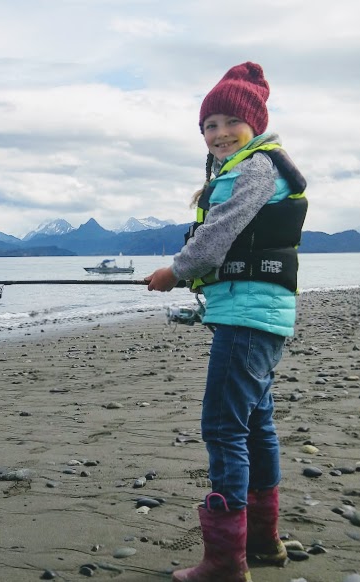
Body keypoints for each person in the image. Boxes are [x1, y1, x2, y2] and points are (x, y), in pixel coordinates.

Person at [145, 61, 307, 582]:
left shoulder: (255, 167)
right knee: (256, 422)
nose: (218, 133)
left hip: (247, 315)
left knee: (222, 426)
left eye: (228, 122)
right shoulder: (255, 166)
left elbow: (218, 235)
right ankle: (263, 542)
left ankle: (224, 562)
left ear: (254, 122)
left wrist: (177, 270)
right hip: (258, 313)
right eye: (208, 125)